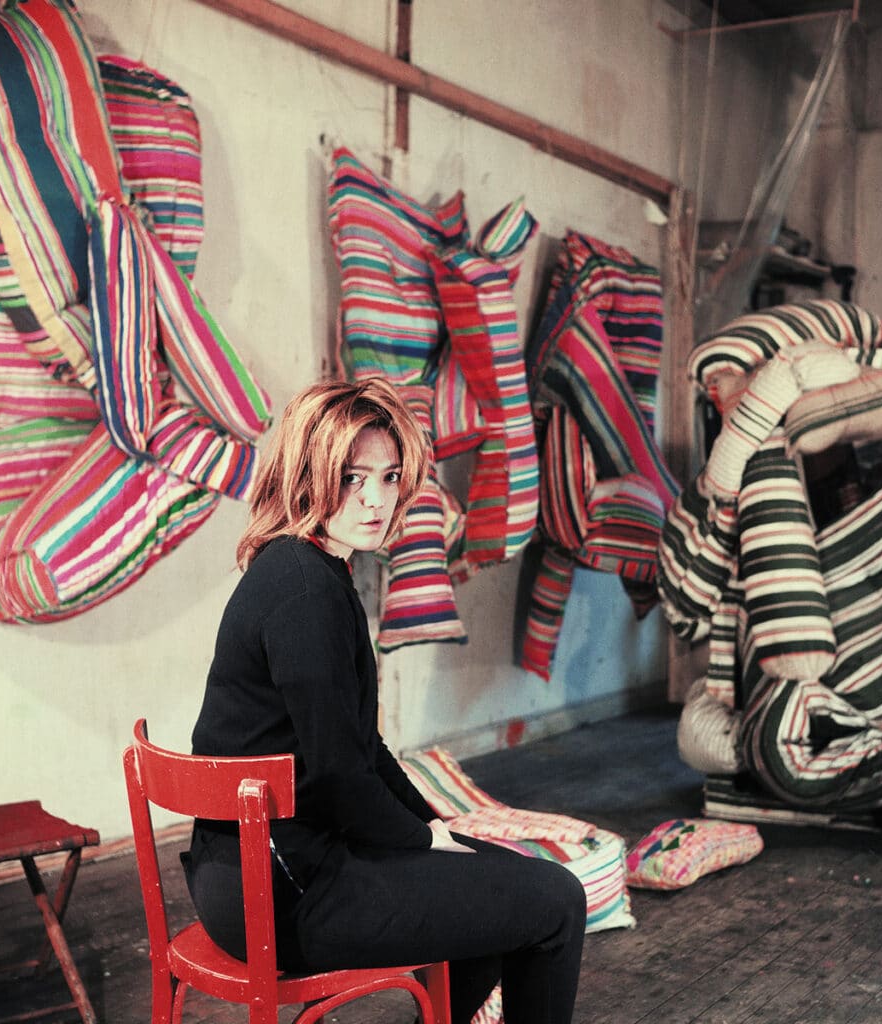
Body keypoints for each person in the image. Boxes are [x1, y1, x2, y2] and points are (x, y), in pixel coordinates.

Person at [184, 377, 587, 1024]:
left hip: (255, 871)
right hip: (281, 892)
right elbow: (342, 776)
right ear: (306, 474)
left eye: (390, 476)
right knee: (556, 900)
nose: (375, 500)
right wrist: (421, 841)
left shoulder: (302, 567)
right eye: (351, 478)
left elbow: (360, 751)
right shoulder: (304, 592)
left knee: (492, 890)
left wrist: (433, 827)